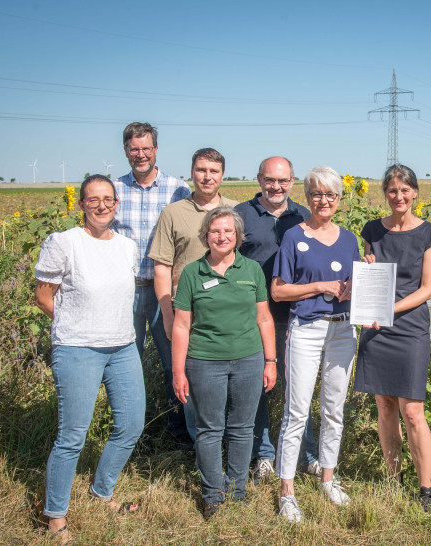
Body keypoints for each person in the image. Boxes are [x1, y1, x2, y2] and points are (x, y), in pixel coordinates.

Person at [35, 175, 145, 544]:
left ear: (117, 204)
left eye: (108, 199)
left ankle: (101, 493)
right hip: (77, 349)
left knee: (130, 425)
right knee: (73, 437)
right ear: (81, 204)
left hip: (123, 347)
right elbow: (43, 295)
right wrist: (73, 327)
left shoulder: (127, 247)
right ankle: (56, 515)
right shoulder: (64, 242)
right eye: (93, 199)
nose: (102, 205)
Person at [171, 207, 276, 519]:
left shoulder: (252, 270)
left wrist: (270, 361)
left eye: (228, 231)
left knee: (243, 428)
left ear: (238, 237)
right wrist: (179, 370)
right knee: (209, 429)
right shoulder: (193, 273)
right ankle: (212, 495)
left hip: (249, 359)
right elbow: (180, 326)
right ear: (206, 236)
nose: (222, 236)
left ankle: (237, 490)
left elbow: (264, 318)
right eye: (215, 231)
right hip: (204, 362)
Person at [271, 166, 359, 522]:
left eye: (331, 194)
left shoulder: (350, 239)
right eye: (317, 194)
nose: (324, 200)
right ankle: (287, 491)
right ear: (307, 198)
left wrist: (363, 279)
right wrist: (321, 286)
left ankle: (328, 477)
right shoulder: (295, 236)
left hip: (342, 330)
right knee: (297, 411)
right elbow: (278, 290)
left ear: (340, 199)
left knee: (334, 409)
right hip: (306, 329)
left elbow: (353, 286)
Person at [353, 164, 431, 511]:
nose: (399, 196)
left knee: (413, 410)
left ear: (415, 193)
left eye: (405, 190)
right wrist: (367, 266)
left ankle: (425, 490)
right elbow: (371, 273)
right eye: (392, 190)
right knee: (385, 405)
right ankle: (393, 480)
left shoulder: (429, 233)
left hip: (409, 328)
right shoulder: (373, 230)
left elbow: (427, 289)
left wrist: (390, 309)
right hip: (375, 327)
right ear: (386, 194)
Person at [234, 156, 321, 482]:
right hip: (253, 318)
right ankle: (264, 455)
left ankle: (307, 454)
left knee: (297, 389)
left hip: (297, 316)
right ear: (259, 179)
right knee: (259, 389)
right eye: (270, 180)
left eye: (283, 181)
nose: (276, 187)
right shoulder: (242, 215)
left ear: (292, 181)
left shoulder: (302, 216)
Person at [148, 148, 237, 441]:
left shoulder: (237, 210)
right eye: (201, 170)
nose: (207, 177)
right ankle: (200, 447)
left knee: (230, 383)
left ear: (222, 175)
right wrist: (167, 314)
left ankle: (226, 446)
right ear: (192, 172)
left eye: (213, 171)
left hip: (230, 313)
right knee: (192, 384)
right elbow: (162, 267)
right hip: (187, 312)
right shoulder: (173, 213)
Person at [112, 122, 192, 447]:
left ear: (156, 150)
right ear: (126, 151)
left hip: (164, 292)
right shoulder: (113, 190)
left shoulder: (178, 189)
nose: (140, 155)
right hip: (125, 291)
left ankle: (177, 433)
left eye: (146, 148)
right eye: (134, 149)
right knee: (122, 364)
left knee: (173, 360)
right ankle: (128, 434)